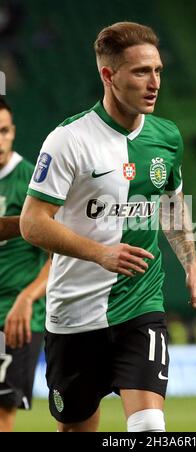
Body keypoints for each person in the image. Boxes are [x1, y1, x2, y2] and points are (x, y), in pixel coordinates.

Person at [20, 22, 196, 433]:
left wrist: (192, 267)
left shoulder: (167, 137)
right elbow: (32, 222)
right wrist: (101, 253)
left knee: (150, 427)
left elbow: (171, 204)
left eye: (159, 71)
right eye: (141, 72)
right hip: (73, 316)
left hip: (140, 308)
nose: (154, 83)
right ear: (108, 76)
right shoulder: (68, 140)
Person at [0, 98, 49, 432]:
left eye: (3, 131)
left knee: (2, 411)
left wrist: (28, 298)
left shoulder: (32, 182)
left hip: (13, 314)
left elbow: (57, 256)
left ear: (13, 132)